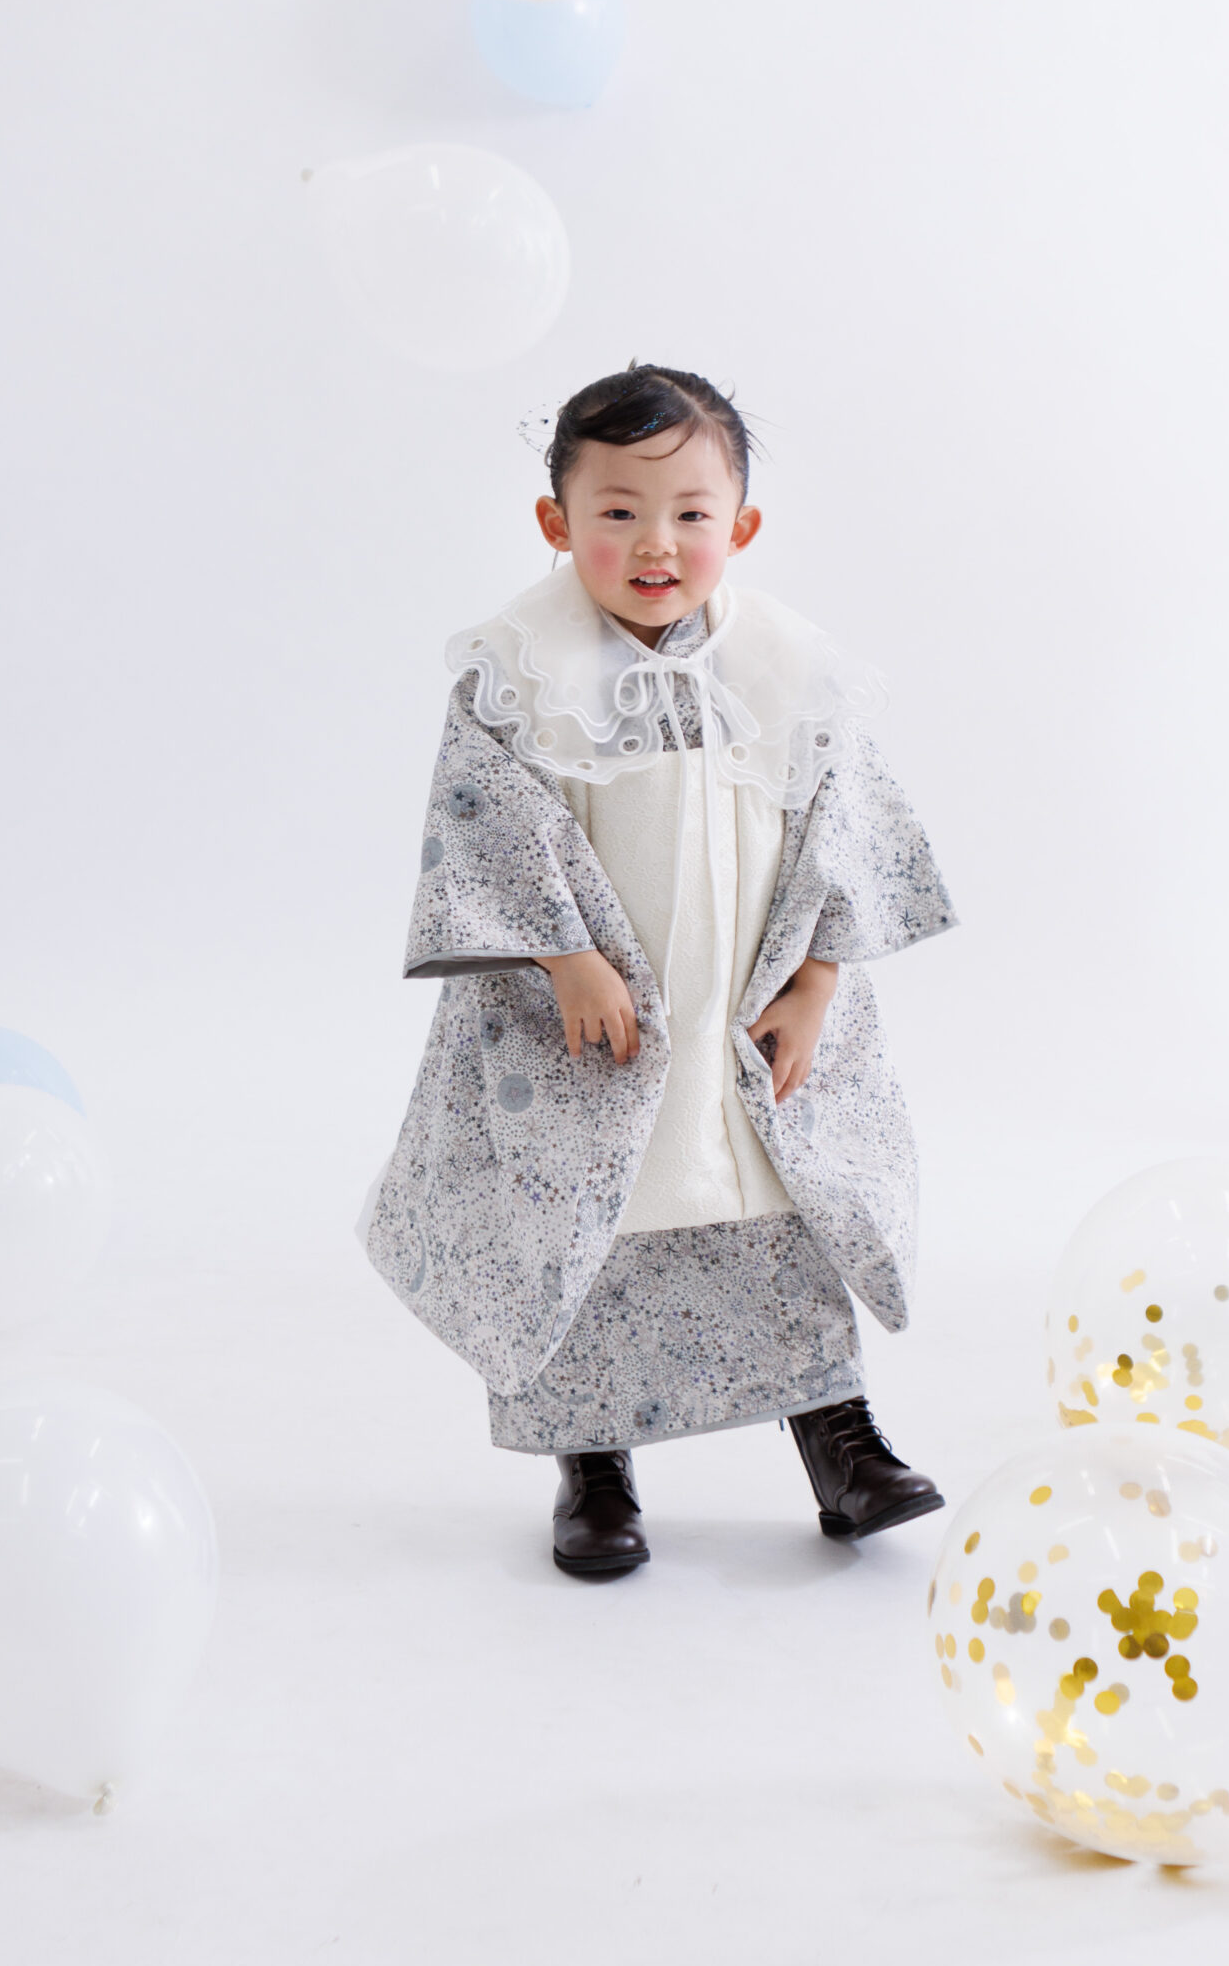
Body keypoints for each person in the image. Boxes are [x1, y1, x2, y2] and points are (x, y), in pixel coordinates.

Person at [363, 364, 957, 1576]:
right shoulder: (520, 671)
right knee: (593, 1219)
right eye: (619, 511)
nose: (656, 543)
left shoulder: (785, 666)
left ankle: (839, 1437)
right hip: (595, 1016)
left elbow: (842, 825)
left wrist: (816, 985)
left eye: (691, 512)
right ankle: (593, 1465)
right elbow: (490, 823)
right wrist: (567, 955)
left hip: (740, 1003)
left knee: (775, 1204)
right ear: (557, 521)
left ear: (741, 525)